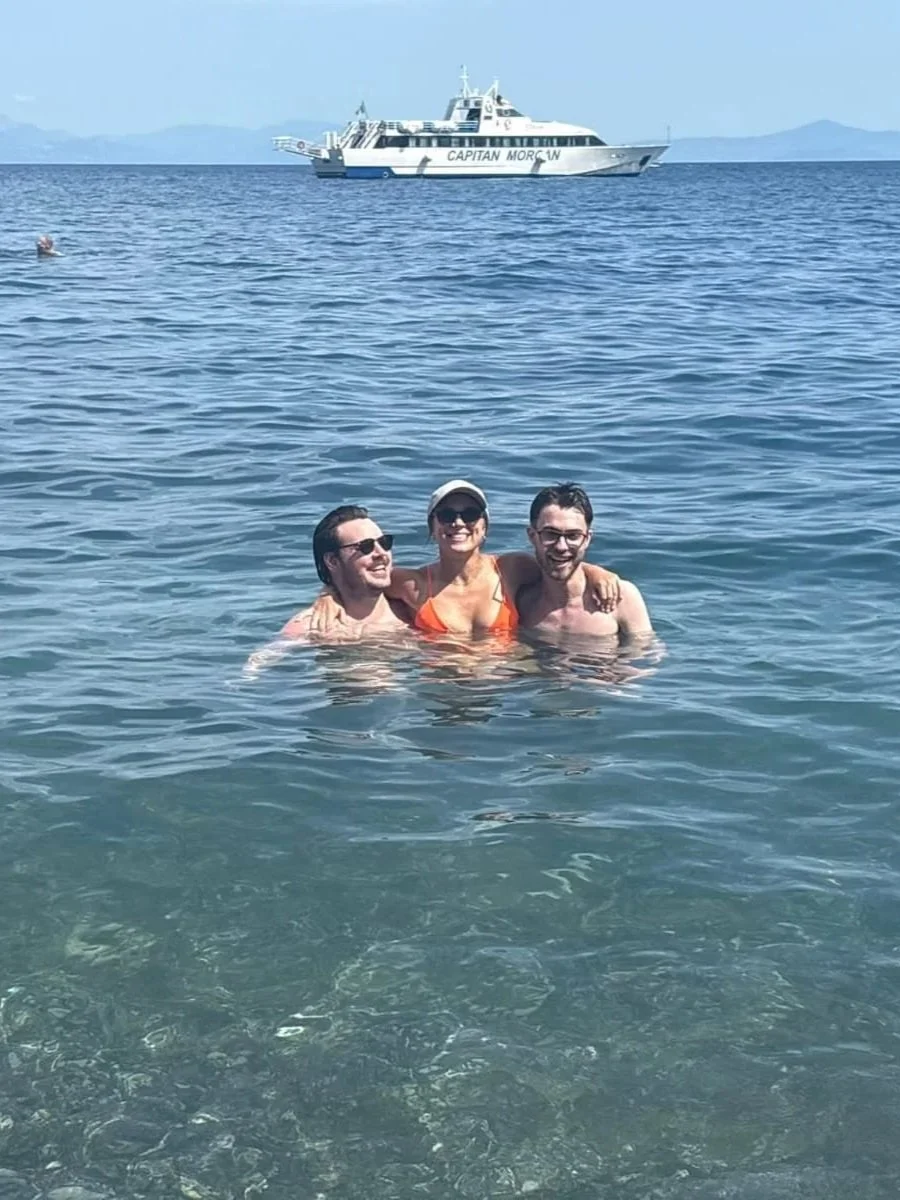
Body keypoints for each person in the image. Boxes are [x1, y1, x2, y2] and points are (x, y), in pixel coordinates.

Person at [309, 480, 621, 639]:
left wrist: (597, 573)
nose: (458, 523)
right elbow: (363, 578)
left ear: (484, 527)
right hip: (440, 697)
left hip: (505, 694)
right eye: (447, 515)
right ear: (433, 527)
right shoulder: (412, 584)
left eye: (470, 514)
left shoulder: (511, 569)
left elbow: (558, 563)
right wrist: (328, 595)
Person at [244, 504, 409, 673]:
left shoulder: (411, 609)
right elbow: (255, 667)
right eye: (365, 547)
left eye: (384, 542)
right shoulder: (313, 626)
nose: (381, 553)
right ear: (332, 561)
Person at [517, 482, 653, 639]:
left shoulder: (621, 598)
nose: (561, 546)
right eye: (550, 534)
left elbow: (647, 652)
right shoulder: (521, 601)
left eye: (573, 536)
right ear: (532, 536)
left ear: (587, 539)